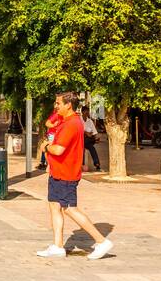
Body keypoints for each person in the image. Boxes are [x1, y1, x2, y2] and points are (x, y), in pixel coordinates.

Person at [37, 91, 113, 261]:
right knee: (54, 206)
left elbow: (59, 149)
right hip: (58, 172)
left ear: (68, 105)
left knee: (69, 208)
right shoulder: (66, 121)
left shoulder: (71, 124)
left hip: (66, 173)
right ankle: (57, 246)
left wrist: (45, 146)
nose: (55, 106)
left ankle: (101, 241)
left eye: (58, 103)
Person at [82, 106, 101, 171]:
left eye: (88, 112)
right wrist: (85, 132)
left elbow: (94, 131)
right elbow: (77, 129)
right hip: (80, 139)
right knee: (83, 148)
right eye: (85, 111)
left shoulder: (90, 121)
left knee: (92, 148)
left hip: (88, 140)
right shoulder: (79, 120)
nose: (87, 113)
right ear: (82, 112)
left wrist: (96, 137)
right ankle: (82, 164)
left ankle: (97, 164)